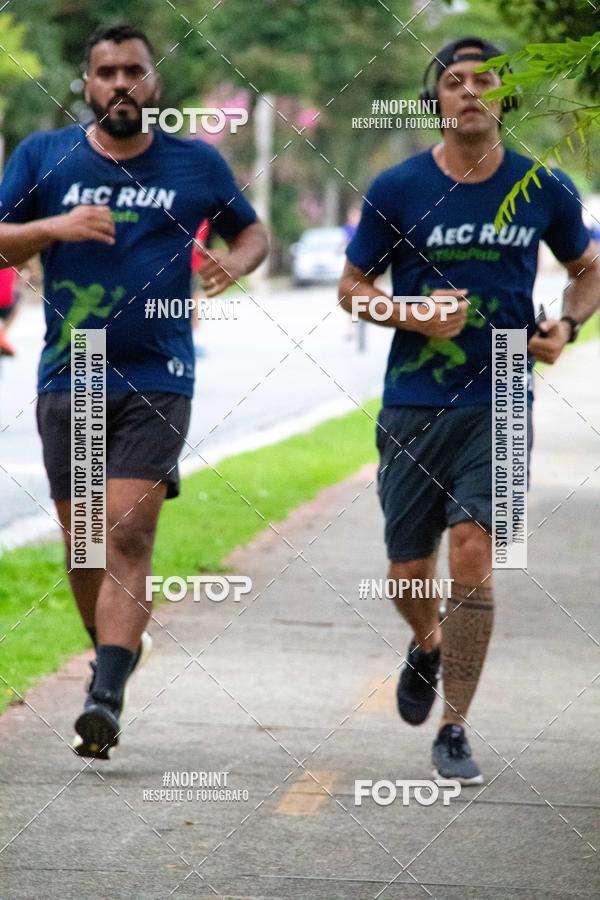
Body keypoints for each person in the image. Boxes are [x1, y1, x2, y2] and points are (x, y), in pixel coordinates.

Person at [0, 23, 268, 758]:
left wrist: (234, 263)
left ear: (155, 83)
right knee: (84, 543)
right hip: (72, 365)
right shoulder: (45, 156)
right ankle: (111, 651)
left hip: (159, 372)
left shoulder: (196, 164)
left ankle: (105, 695)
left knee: (127, 531)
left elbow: (253, 233)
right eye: (106, 72)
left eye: (135, 71)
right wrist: (54, 226)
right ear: (86, 85)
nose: (121, 83)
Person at [339, 36, 600, 783]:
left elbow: (587, 269)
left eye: (485, 80)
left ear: (504, 98)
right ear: (437, 102)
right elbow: (351, 287)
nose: (471, 91)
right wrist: (413, 312)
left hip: (503, 397)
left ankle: (455, 727)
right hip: (414, 401)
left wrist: (568, 327)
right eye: (455, 82)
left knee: (473, 553)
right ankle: (426, 643)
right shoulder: (397, 189)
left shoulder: (542, 187)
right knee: (407, 572)